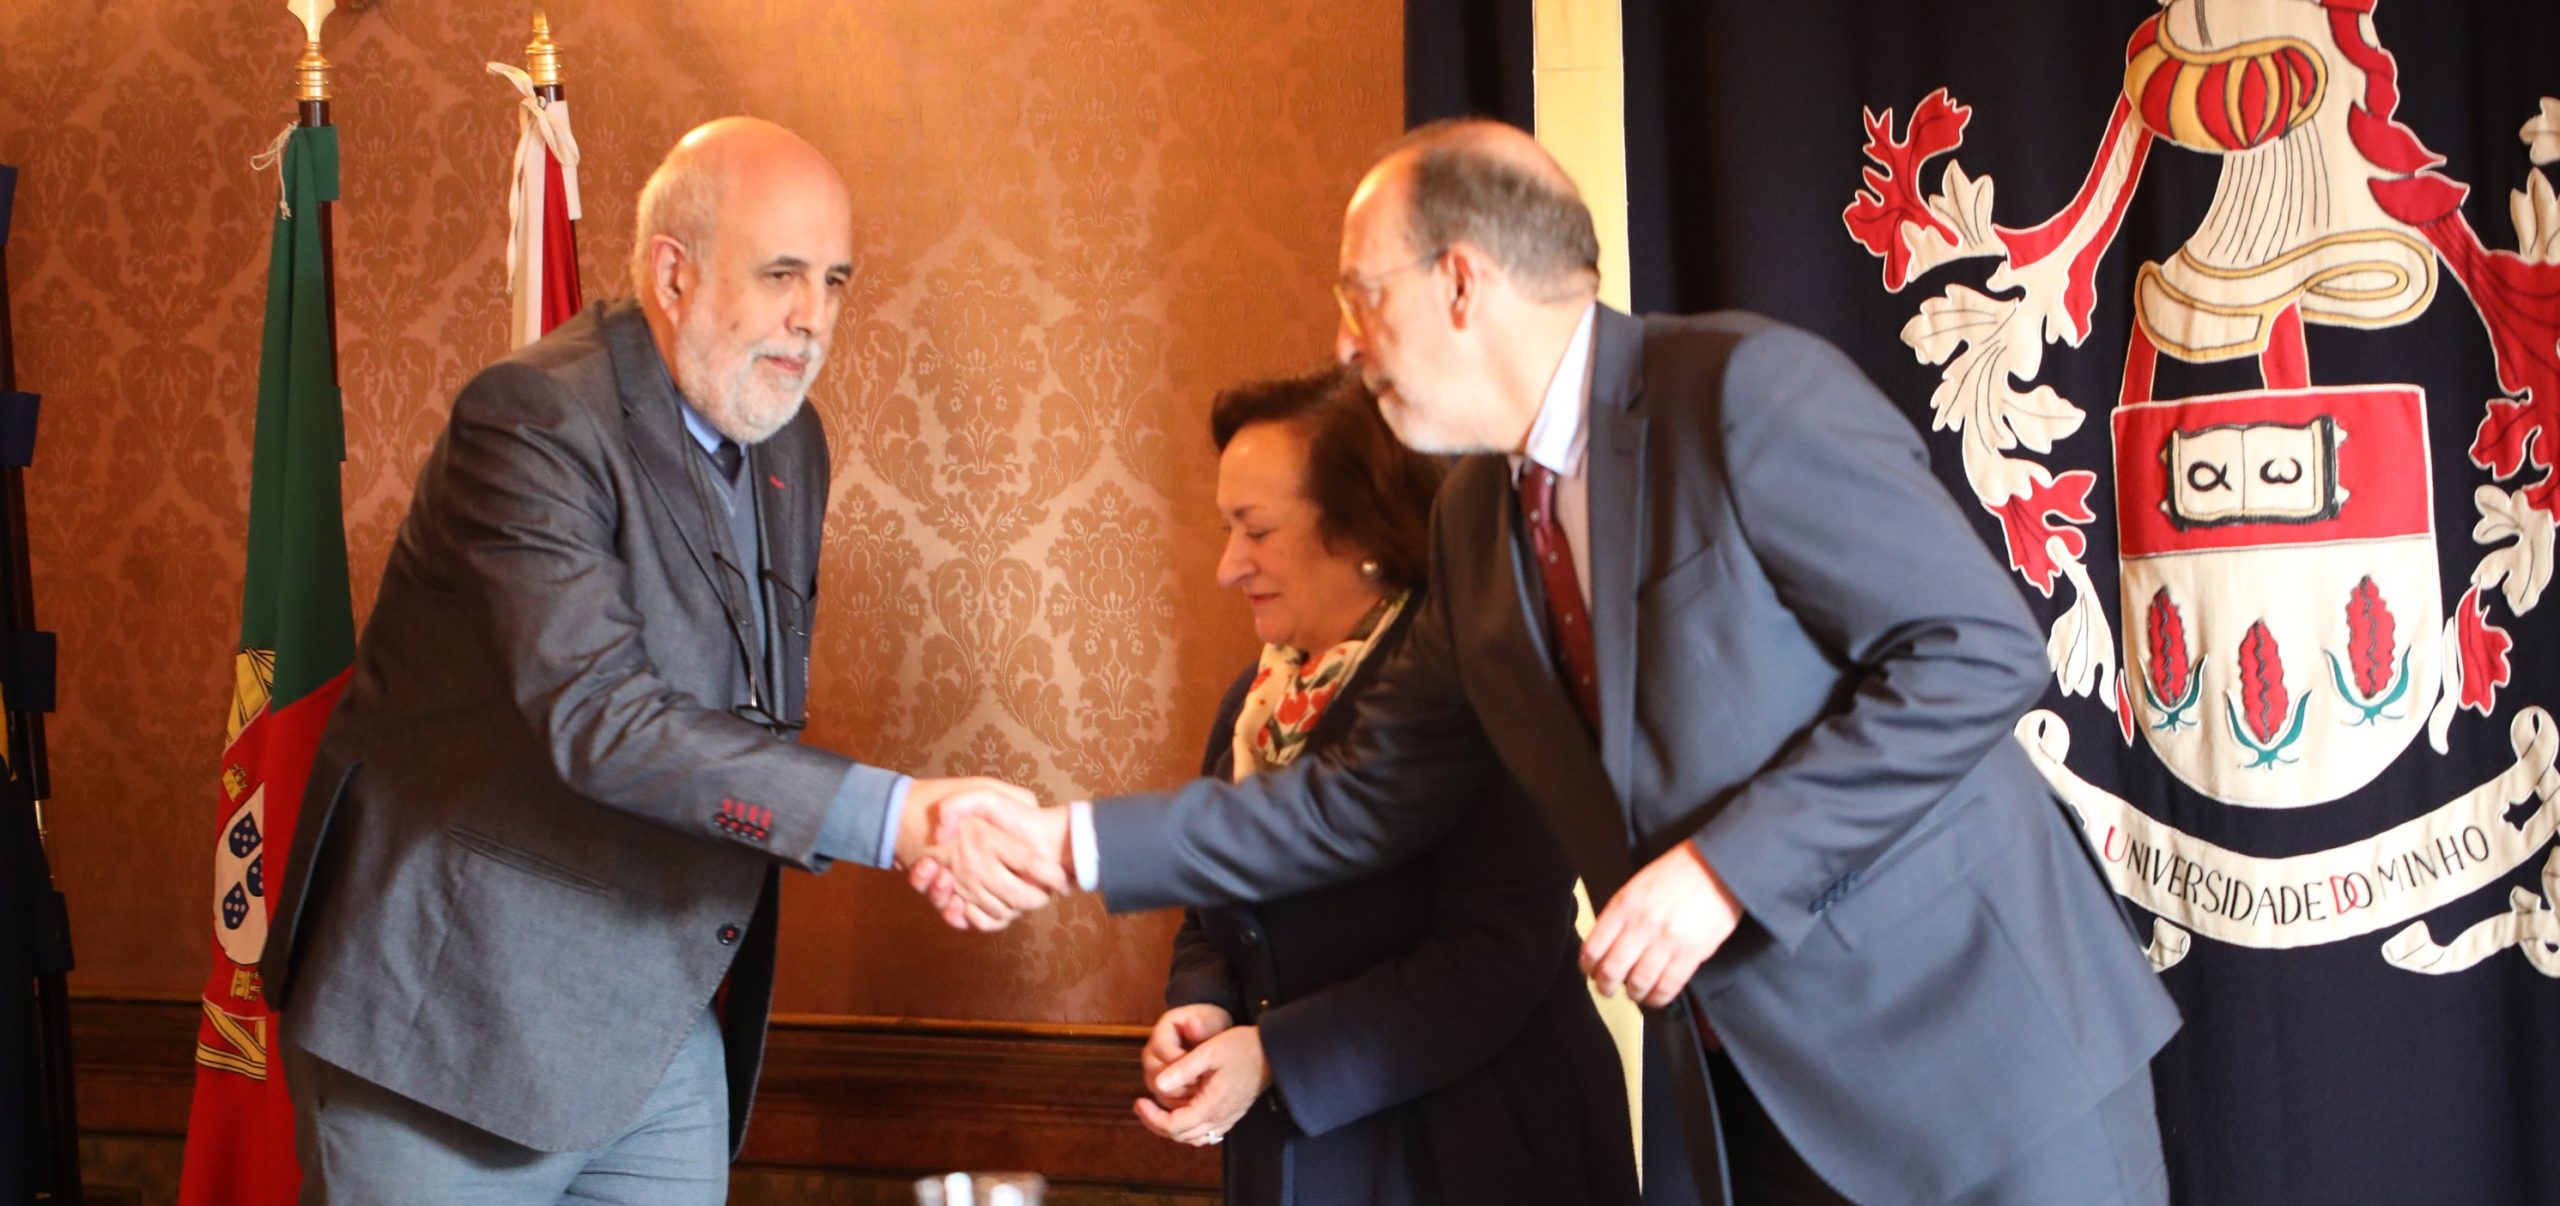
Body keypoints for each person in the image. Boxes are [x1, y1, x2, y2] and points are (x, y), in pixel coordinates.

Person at [921, 119, 2182, 1206]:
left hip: (1984, 1066)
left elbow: (1970, 651)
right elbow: (1354, 799)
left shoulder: (1740, 391)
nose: (1346, 343)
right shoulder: (1475, 523)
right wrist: (1064, 844)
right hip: (1755, 1106)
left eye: (1361, 295)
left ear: (1460, 281)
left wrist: (1723, 872)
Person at [261, 118, 1048, 1203]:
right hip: (451, 1021)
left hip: (659, 1012)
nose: (813, 317)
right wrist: (893, 815)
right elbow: (603, 718)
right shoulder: (533, 418)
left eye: (834, 281)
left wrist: (914, 830)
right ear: (673, 274)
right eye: (780, 275)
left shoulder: (790, 440)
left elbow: (746, 711)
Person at [1142, 367, 1635, 1206]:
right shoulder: (1252, 705)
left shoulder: (1482, 683)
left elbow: (1495, 956)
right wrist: (1205, 1005)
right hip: (1298, 1154)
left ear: (1360, 528)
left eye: (1255, 530)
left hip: (1472, 1149)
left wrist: (1275, 1057)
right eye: (1228, 529)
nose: (1227, 566)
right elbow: (1210, 915)